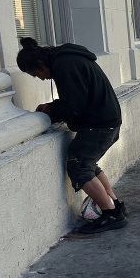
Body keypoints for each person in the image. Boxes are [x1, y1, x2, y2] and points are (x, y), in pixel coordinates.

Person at [16, 37, 127, 235]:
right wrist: (54, 107)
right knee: (87, 163)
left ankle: (111, 214)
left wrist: (51, 111)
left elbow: (75, 105)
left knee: (78, 165)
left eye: (36, 73)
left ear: (41, 63)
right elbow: (78, 97)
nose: (41, 78)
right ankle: (114, 205)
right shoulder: (69, 59)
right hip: (106, 120)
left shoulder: (65, 65)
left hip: (99, 124)